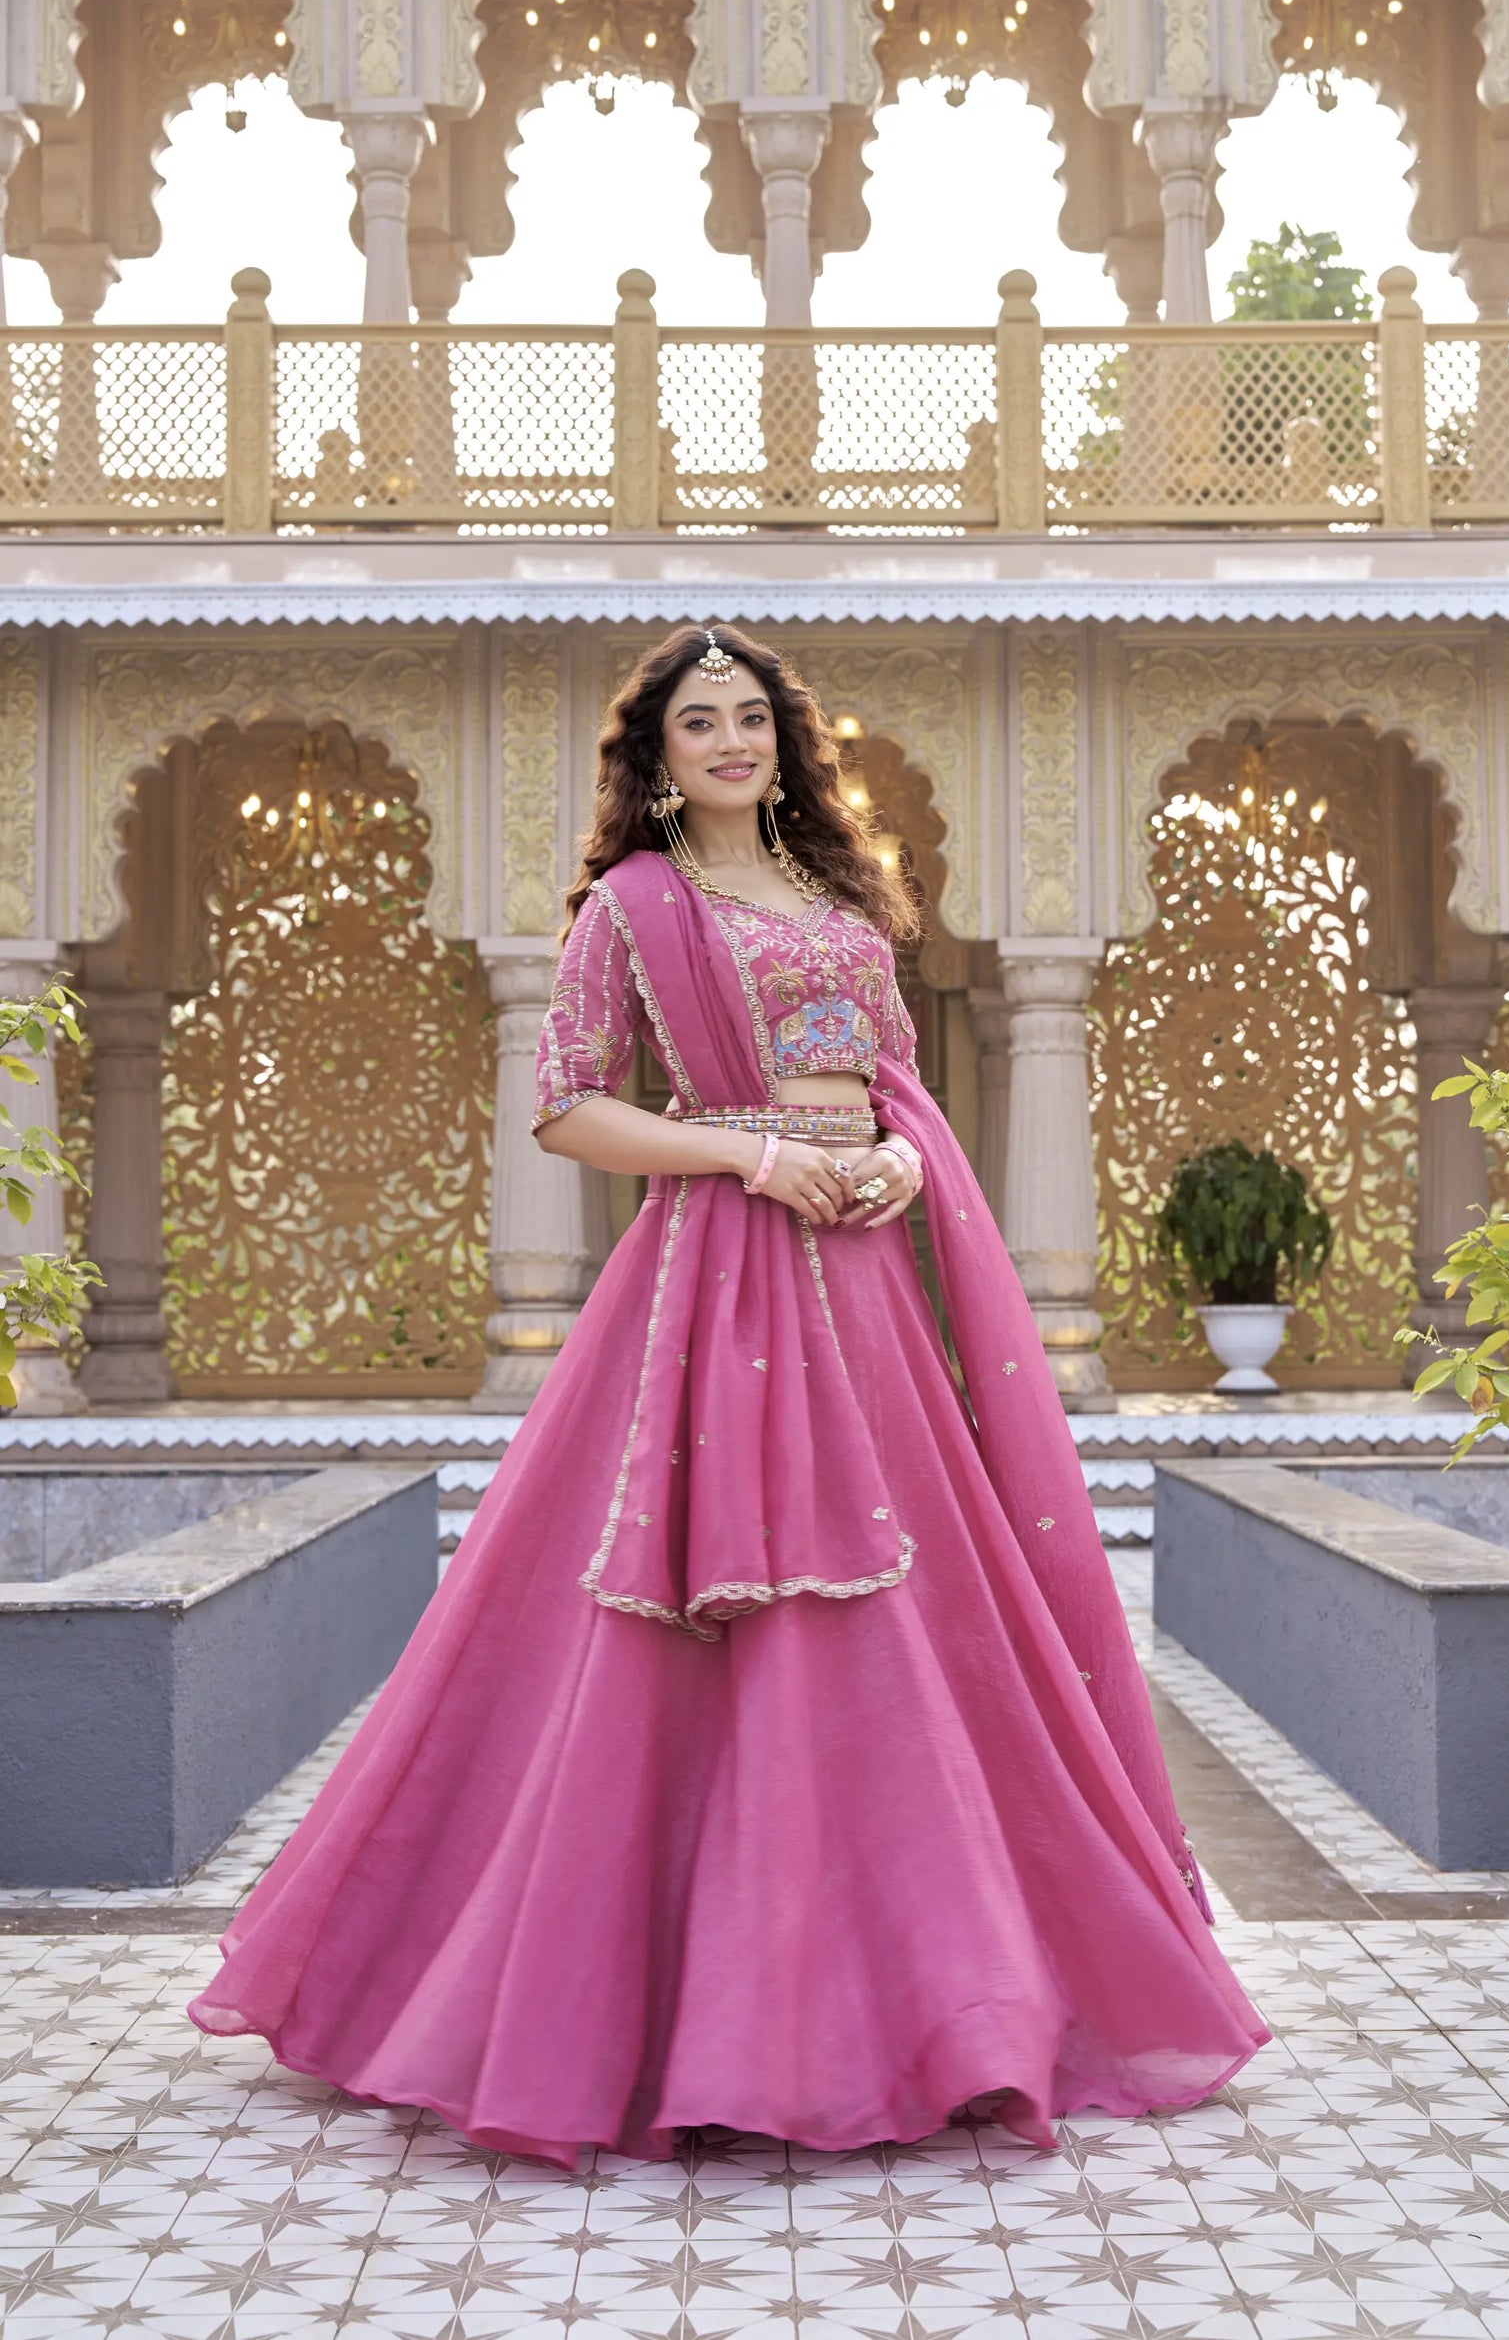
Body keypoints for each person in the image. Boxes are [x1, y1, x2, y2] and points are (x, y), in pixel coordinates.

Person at [189, 623, 1268, 2164]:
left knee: (910, 1615)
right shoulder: (634, 907)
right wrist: (752, 1156)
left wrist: (901, 1162)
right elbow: (570, 1106)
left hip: (866, 1287)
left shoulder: (843, 900)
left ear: (786, 740)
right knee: (705, 1626)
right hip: (718, 1278)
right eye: (698, 723)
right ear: (657, 754)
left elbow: (893, 1088)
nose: (730, 742)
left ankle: (942, 2007)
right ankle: (680, 2020)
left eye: (750, 717)